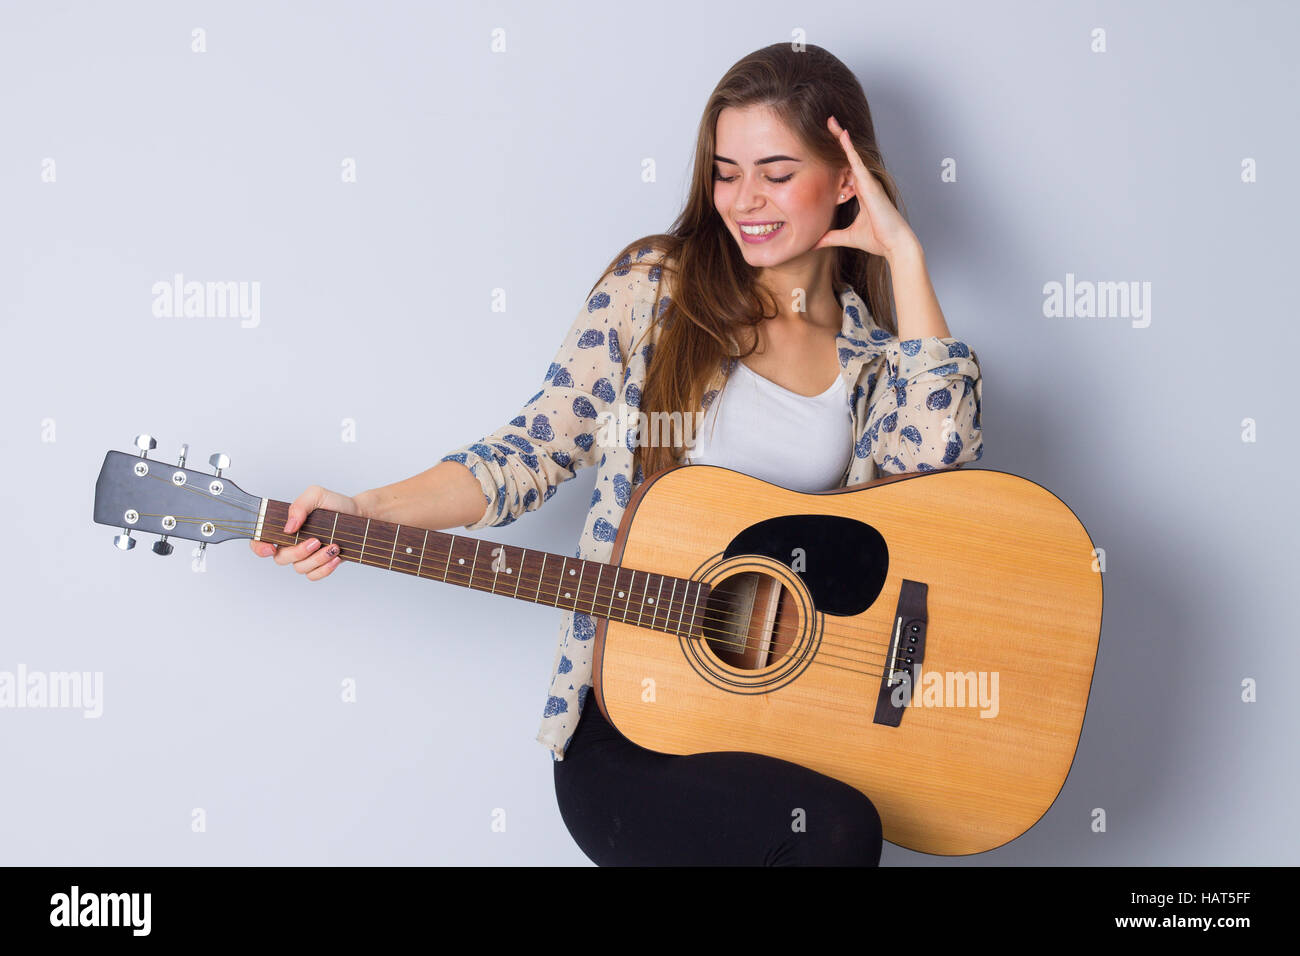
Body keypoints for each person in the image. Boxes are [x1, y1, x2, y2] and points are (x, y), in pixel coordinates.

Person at [251, 43, 984, 866]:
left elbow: (936, 479)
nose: (745, 200)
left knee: (836, 821)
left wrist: (907, 257)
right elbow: (531, 450)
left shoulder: (874, 359)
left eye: (777, 173)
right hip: (631, 727)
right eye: (725, 170)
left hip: (780, 728)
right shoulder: (655, 290)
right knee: (840, 834)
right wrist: (367, 509)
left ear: (847, 179)